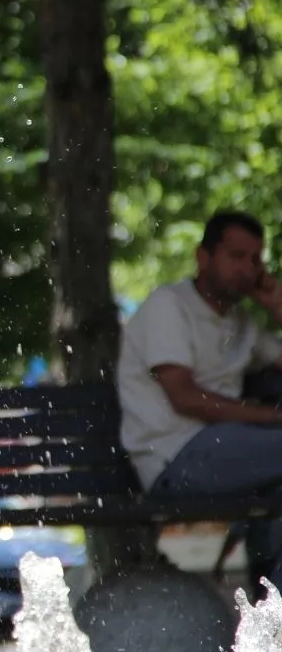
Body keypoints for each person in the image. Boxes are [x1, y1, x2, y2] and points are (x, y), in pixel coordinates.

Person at [118, 210, 282, 599]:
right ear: (203, 256)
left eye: (255, 259)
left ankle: (270, 614)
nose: (247, 268)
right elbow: (185, 397)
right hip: (175, 461)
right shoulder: (168, 306)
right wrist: (272, 417)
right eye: (236, 255)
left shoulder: (242, 323)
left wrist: (277, 306)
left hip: (228, 456)